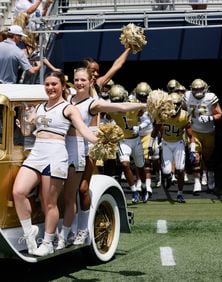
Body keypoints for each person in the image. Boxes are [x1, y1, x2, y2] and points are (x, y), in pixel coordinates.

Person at [12, 71, 98, 257]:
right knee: (18, 192)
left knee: (49, 202)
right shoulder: (40, 107)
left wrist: (98, 141)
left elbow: (83, 129)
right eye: (48, 84)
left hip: (56, 154)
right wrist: (25, 120)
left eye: (54, 84)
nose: (50, 88)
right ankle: (29, 233)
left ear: (63, 86)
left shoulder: (68, 108)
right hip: (37, 152)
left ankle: (49, 242)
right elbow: (28, 132)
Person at [61, 68, 146, 249]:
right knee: (67, 192)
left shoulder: (93, 104)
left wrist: (142, 105)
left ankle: (83, 230)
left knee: (83, 189)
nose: (79, 83)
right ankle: (69, 229)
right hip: (65, 149)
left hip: (86, 149)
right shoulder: (66, 98)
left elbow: (121, 107)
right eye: (76, 79)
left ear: (90, 82)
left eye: (83, 80)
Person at [106, 84, 146, 204]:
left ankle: (143, 187)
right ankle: (134, 191)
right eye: (115, 101)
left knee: (140, 166)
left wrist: (139, 127)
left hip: (135, 139)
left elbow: (146, 117)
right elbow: (105, 118)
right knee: (124, 164)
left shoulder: (133, 103)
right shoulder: (109, 107)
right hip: (123, 140)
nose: (117, 104)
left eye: (119, 101)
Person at [151, 92, 194, 203]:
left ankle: (180, 193)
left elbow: (190, 134)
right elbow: (155, 130)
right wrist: (151, 144)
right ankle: (168, 177)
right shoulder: (162, 114)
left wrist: (192, 148)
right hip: (166, 143)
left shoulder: (185, 115)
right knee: (166, 171)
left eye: (176, 104)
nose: (173, 106)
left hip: (178, 143)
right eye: (171, 104)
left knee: (180, 169)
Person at [184, 78, 222, 194]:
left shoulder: (210, 97)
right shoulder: (187, 96)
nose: (197, 91)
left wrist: (210, 118)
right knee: (195, 158)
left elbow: (220, 114)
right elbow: (184, 112)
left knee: (208, 159)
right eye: (195, 89)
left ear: (205, 88)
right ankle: (197, 182)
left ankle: (209, 175)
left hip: (208, 132)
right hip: (194, 131)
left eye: (200, 89)